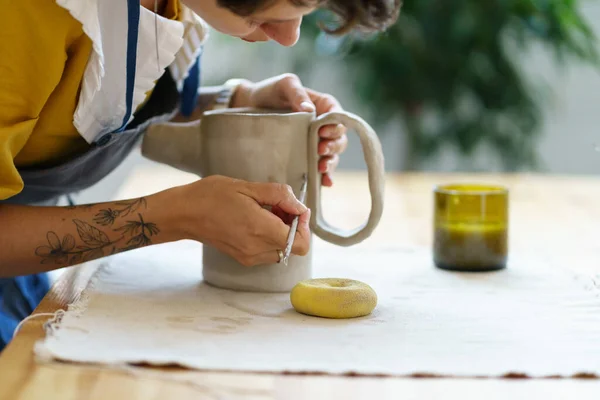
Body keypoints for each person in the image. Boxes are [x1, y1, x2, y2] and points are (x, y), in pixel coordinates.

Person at [0, 0, 400, 349]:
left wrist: (242, 100)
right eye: (270, 15)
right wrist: (172, 216)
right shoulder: (28, 15)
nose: (289, 37)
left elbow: (112, 101)